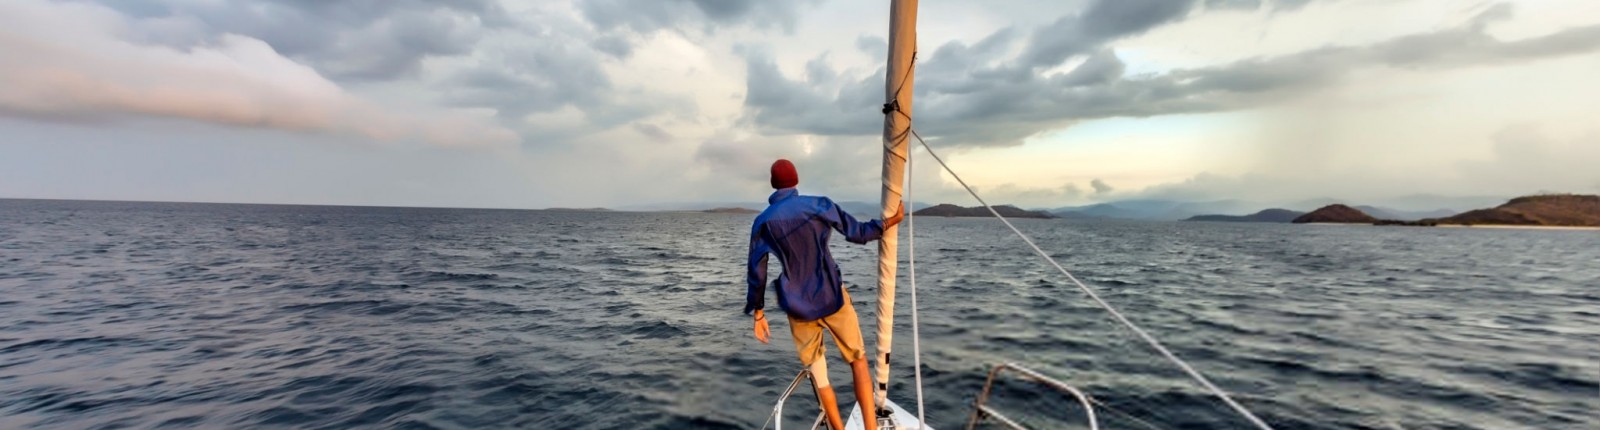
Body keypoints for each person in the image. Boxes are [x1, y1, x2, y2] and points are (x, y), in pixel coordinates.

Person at [746, 159, 903, 430]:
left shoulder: (763, 222)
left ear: (773, 185)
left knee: (821, 378)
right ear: (795, 181)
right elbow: (857, 233)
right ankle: (870, 428)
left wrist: (758, 313)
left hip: (797, 308)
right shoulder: (819, 204)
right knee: (858, 360)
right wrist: (889, 222)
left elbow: (757, 271)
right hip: (832, 297)